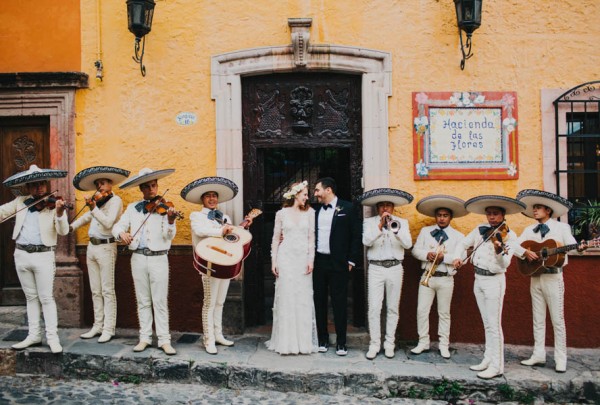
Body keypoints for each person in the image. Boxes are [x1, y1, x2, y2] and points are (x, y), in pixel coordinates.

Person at [452, 195, 525, 379]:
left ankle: (497, 366)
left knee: (494, 324)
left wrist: (499, 251)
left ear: (503, 215)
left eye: (495, 214)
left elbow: (505, 264)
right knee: (486, 323)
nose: (492, 217)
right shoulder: (479, 230)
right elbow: (462, 243)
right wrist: (457, 256)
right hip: (478, 279)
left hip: (494, 281)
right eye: (489, 214)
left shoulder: (510, 235)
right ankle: (487, 359)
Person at [514, 189, 588, 373]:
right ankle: (538, 354)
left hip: (554, 277)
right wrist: (525, 252)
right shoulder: (528, 230)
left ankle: (560, 358)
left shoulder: (562, 228)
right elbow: (514, 245)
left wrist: (580, 248)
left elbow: (571, 246)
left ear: (548, 210)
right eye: (534, 208)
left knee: (557, 319)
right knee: (537, 318)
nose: (535, 211)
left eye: (538, 207)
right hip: (535, 277)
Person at [0, 164, 69, 353]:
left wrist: (60, 213)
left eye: (42, 184)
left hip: (44, 255)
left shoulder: (54, 203)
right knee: (30, 297)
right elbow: (2, 212)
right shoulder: (20, 202)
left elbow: (64, 231)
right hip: (21, 254)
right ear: (28, 187)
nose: (39, 188)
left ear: (46, 185)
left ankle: (52, 338)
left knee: (46, 297)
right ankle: (33, 335)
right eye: (34, 184)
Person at [112, 168, 178, 355]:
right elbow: (117, 226)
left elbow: (168, 235)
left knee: (159, 301)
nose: (151, 189)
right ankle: (145, 338)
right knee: (142, 300)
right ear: (141, 188)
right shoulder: (133, 208)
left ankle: (164, 340)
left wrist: (171, 221)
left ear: (157, 186)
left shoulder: (166, 208)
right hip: (138, 257)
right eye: (147, 186)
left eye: (154, 185)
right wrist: (121, 233)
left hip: (159, 258)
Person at [181, 176, 248, 355]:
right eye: (208, 195)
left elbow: (229, 239)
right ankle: (208, 339)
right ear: (202, 199)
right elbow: (200, 231)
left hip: (223, 263)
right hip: (207, 264)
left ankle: (218, 334)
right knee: (209, 302)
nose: (212, 199)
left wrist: (240, 229)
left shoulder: (224, 217)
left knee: (220, 301)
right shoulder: (196, 216)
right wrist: (221, 230)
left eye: (214, 196)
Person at [70, 166, 130, 343]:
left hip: (106, 247)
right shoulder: (98, 202)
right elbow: (86, 218)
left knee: (107, 290)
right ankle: (97, 325)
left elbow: (108, 224)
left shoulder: (115, 201)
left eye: (103, 183)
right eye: (97, 184)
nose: (100, 187)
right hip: (92, 247)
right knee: (95, 290)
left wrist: (94, 208)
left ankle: (109, 328)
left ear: (110, 184)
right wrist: (71, 227)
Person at [358, 188, 413, 360]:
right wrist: (380, 227)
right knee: (374, 308)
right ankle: (374, 344)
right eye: (381, 206)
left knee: (392, 308)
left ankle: (389, 344)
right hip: (376, 268)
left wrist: (394, 230)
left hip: (395, 268)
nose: (385, 209)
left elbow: (408, 244)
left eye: (388, 205)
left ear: (393, 207)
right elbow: (366, 241)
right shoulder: (369, 222)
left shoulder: (401, 222)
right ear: (377, 208)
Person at [411, 195, 467, 359]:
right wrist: (426, 254)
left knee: (444, 313)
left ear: (450, 217)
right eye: (439, 215)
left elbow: (461, 258)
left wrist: (445, 259)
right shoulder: (425, 231)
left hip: (445, 278)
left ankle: (444, 345)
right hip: (427, 277)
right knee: (422, 310)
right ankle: (423, 342)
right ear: (435, 217)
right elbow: (415, 251)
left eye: (445, 215)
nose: (442, 218)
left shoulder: (459, 237)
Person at [267, 180, 318, 354]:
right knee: (287, 297)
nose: (307, 197)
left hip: (302, 259)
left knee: (302, 299)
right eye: (304, 193)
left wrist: (311, 259)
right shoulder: (281, 214)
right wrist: (274, 261)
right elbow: (275, 238)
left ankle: (303, 342)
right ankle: (286, 342)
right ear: (296, 194)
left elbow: (311, 238)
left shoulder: (310, 212)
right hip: (285, 258)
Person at [313, 177, 361, 356]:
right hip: (319, 262)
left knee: (339, 302)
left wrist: (351, 260)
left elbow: (356, 235)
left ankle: (341, 342)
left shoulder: (347, 208)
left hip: (339, 263)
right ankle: (322, 339)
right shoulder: (315, 210)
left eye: (317, 190)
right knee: (319, 302)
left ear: (329, 190)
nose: (315, 193)